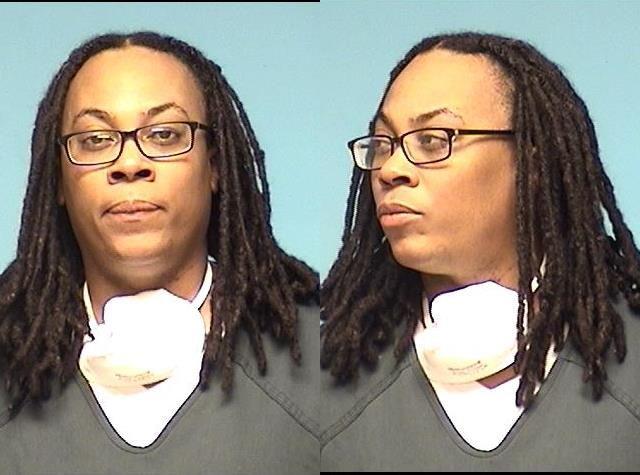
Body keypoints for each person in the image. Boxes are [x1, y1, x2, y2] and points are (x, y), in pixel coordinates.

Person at [0, 31, 319, 474]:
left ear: (215, 166)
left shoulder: (321, 365)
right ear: (57, 180)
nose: (129, 164)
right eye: (95, 139)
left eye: (165, 134)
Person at [320, 32, 640, 471]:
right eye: (382, 144)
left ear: (531, 163)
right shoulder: (326, 389)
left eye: (433, 140)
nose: (391, 170)